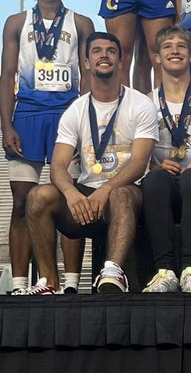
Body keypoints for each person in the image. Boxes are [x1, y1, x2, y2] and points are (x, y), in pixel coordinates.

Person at [24, 32, 157, 294]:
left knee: (120, 194)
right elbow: (58, 166)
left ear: (121, 61)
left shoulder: (141, 103)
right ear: (86, 62)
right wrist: (71, 193)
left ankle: (113, 272)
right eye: (97, 51)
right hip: (86, 195)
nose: (104, 55)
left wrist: (106, 190)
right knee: (38, 196)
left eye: (111, 51)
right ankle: (48, 282)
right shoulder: (76, 109)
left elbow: (139, 163)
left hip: (127, 193)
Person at [0, 0, 92, 295]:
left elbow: (87, 76)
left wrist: (85, 123)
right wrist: (7, 125)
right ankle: (20, 283)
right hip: (28, 115)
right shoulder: (16, 22)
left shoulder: (81, 23)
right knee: (21, 203)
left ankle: (70, 283)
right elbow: (7, 74)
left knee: (69, 200)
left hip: (67, 117)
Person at [140, 26, 191, 293]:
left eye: (181, 46)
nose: (175, 51)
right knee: (155, 178)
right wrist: (153, 166)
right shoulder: (145, 102)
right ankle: (165, 272)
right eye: (167, 46)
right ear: (157, 57)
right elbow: (136, 154)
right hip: (162, 184)